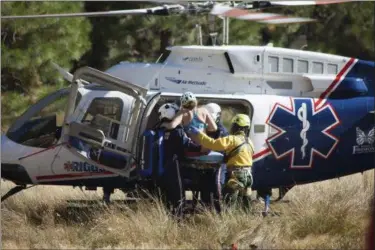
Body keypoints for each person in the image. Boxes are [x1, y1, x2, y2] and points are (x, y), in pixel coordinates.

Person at [187, 114, 254, 210]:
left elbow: (212, 144)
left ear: (236, 126)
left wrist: (199, 134)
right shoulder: (249, 141)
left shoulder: (232, 139)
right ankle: (245, 222)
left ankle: (230, 223)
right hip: (248, 176)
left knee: (229, 204)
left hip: (236, 176)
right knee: (244, 205)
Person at [156, 102, 202, 218]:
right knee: (178, 196)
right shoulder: (177, 131)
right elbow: (188, 145)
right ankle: (179, 220)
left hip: (162, 170)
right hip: (174, 167)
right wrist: (203, 146)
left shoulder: (160, 129)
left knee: (166, 198)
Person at [199, 103, 229, 212]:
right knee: (205, 186)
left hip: (219, 165)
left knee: (217, 186)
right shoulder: (204, 129)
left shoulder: (222, 131)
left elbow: (221, 150)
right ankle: (206, 210)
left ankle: (219, 212)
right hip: (206, 165)